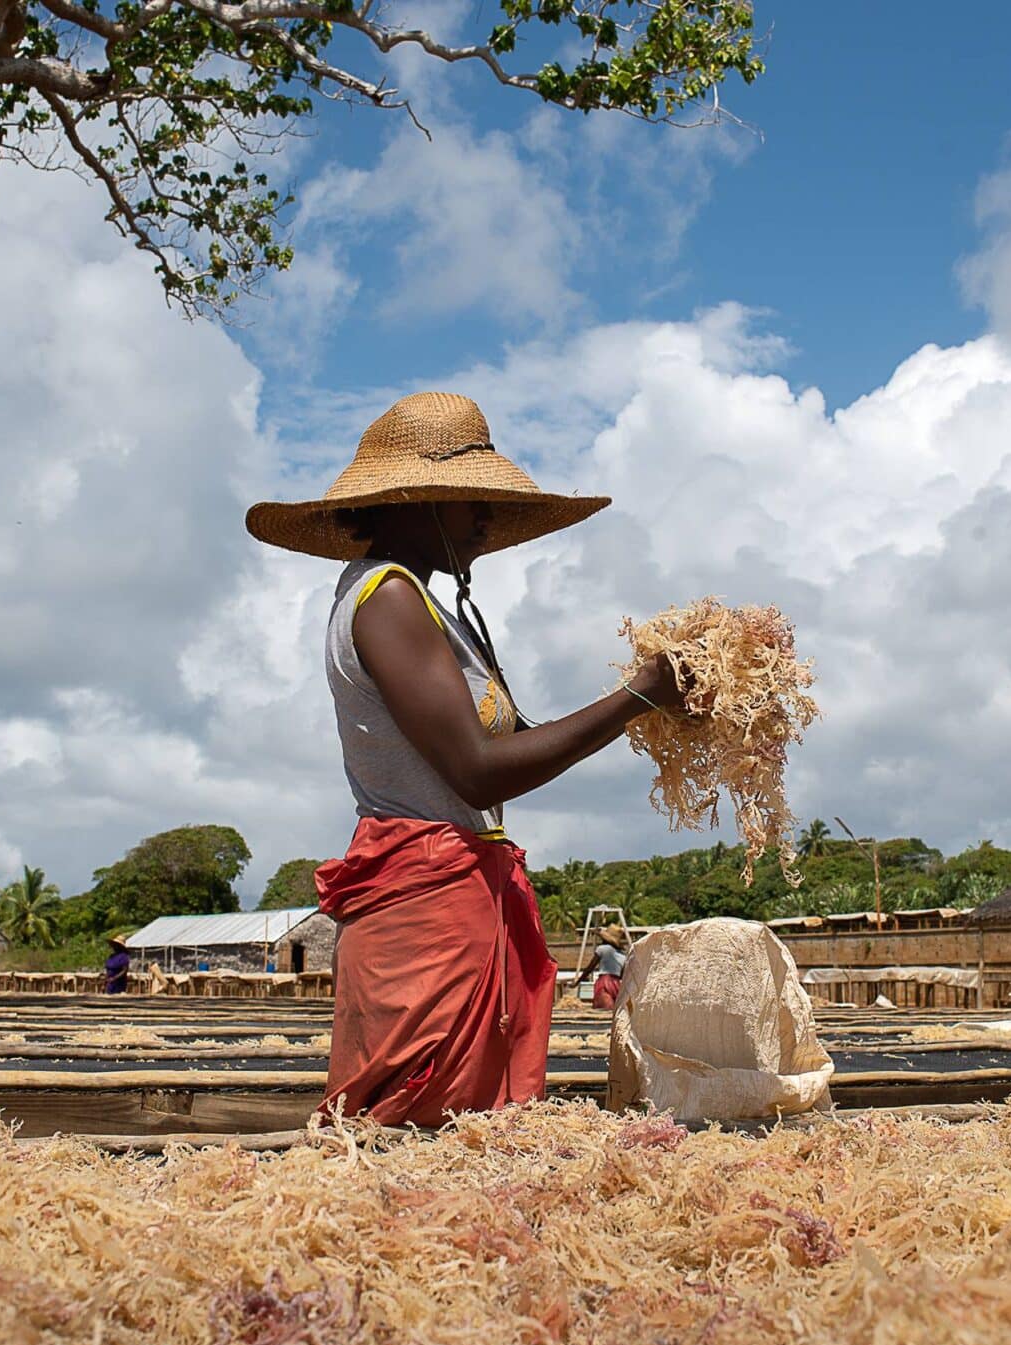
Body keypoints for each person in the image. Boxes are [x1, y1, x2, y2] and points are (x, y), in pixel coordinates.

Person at [244, 391, 685, 1126]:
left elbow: (511, 743)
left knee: (465, 1146)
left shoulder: (424, 605)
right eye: (471, 499)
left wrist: (653, 701)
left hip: (455, 892)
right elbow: (478, 770)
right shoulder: (387, 598)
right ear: (414, 501)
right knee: (418, 1136)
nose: (485, 517)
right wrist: (639, 696)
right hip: (426, 910)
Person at [581, 923, 631, 1011]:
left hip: (604, 982)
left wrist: (578, 981)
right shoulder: (623, 955)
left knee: (603, 1010)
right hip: (616, 984)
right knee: (614, 1011)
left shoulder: (602, 949)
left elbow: (590, 967)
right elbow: (622, 975)